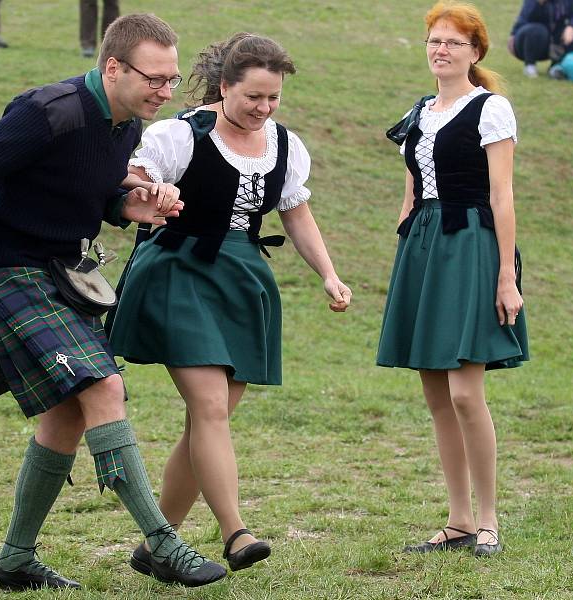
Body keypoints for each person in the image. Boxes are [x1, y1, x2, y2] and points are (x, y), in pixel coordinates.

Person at [0, 13, 226, 591]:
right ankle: (163, 543)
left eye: (173, 80)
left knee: (66, 415)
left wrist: (131, 206)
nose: (166, 91)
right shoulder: (48, 111)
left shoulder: (125, 125)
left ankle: (16, 559)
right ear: (113, 67)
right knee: (103, 386)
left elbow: (84, 191)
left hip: (60, 274)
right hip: (4, 271)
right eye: (155, 78)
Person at [107, 33, 351, 575]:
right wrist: (153, 191)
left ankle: (156, 546)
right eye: (253, 98)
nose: (264, 109)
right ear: (225, 87)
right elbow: (130, 183)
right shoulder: (178, 134)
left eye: (273, 99)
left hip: (242, 279)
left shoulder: (284, 146)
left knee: (206, 421)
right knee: (210, 409)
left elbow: (296, 214)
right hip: (178, 270)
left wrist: (329, 275)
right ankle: (235, 531)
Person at [378, 2, 529, 558]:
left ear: (475, 52)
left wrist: (506, 274)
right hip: (424, 250)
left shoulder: (491, 109)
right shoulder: (420, 111)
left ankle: (488, 519)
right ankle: (459, 519)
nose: (440, 50)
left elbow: (502, 196)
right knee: (436, 390)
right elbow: (414, 186)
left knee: (467, 391)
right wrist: (405, 238)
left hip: (472, 246)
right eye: (433, 41)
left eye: (453, 43)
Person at [508, 0, 573, 77]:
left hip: (551, 41)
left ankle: (556, 66)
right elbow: (528, 17)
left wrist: (572, 26)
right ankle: (530, 65)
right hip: (523, 42)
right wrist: (539, 4)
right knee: (537, 30)